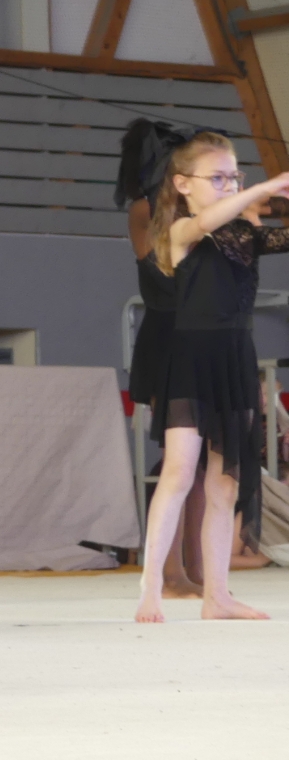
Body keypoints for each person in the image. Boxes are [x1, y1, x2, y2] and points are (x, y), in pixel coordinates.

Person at [133, 130, 289, 623]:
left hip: (236, 357)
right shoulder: (180, 231)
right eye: (217, 178)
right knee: (180, 472)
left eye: (234, 177)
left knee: (225, 484)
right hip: (191, 358)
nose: (229, 185)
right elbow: (207, 222)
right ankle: (151, 586)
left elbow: (276, 236)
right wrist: (261, 189)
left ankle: (217, 595)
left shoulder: (244, 236)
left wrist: (268, 197)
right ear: (183, 184)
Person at [117, 120, 206, 597]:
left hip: (204, 335)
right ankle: (170, 571)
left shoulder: (199, 213)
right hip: (168, 335)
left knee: (204, 463)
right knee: (178, 459)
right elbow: (165, 265)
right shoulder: (146, 210)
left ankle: (195, 566)